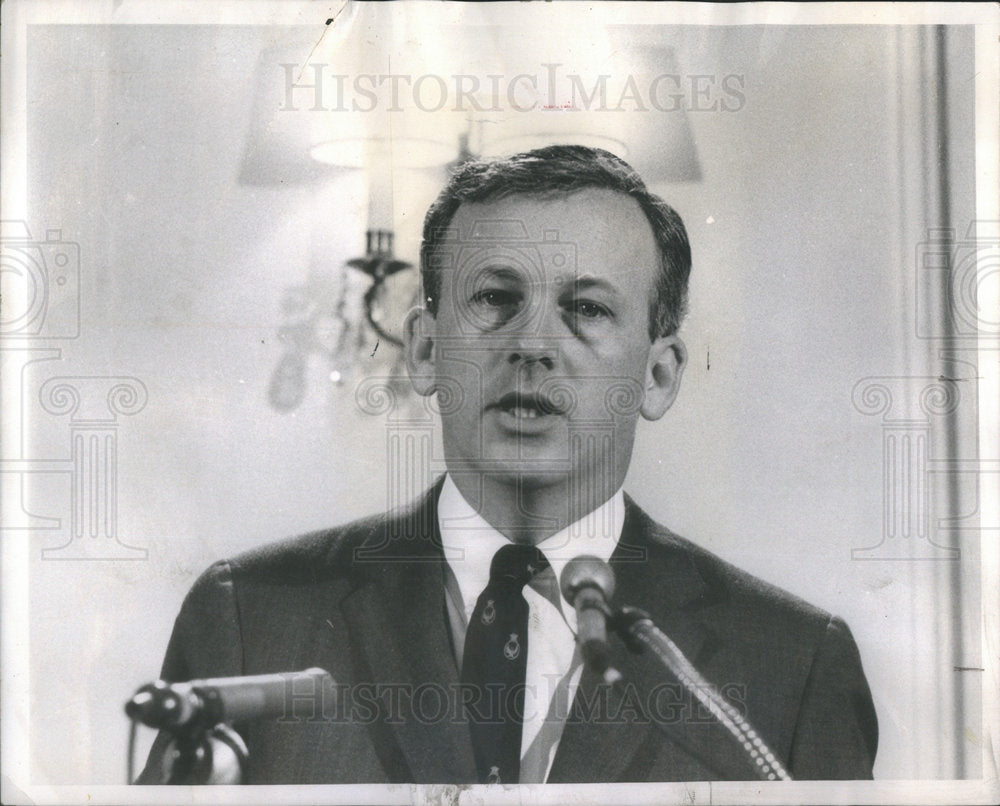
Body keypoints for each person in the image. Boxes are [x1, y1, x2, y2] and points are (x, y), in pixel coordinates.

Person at [137, 145, 878, 784]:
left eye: (587, 309)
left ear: (657, 377)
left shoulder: (795, 663)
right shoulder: (248, 614)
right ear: (426, 351)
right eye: (495, 298)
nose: (533, 345)